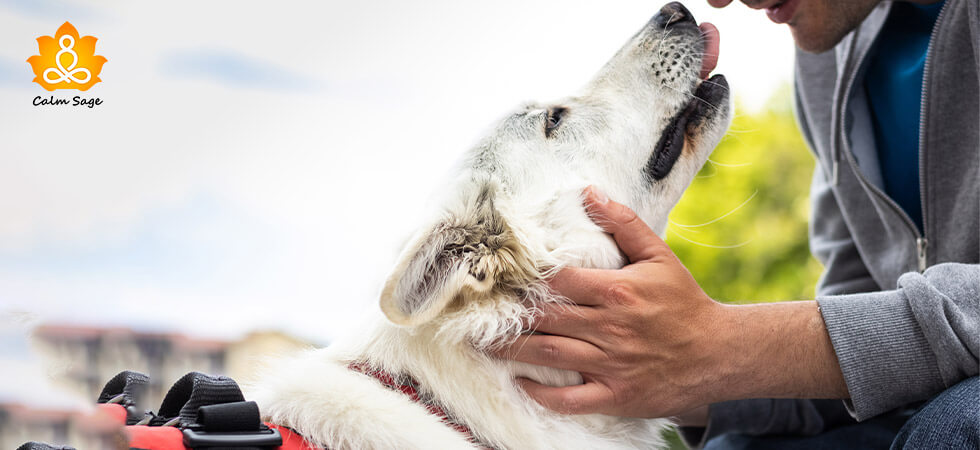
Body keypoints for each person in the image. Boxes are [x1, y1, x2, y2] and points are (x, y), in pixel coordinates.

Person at [496, 0, 979, 448]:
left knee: (951, 427)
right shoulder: (825, 62)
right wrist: (671, 376)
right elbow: (862, 338)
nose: (723, 1)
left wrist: (723, 345)